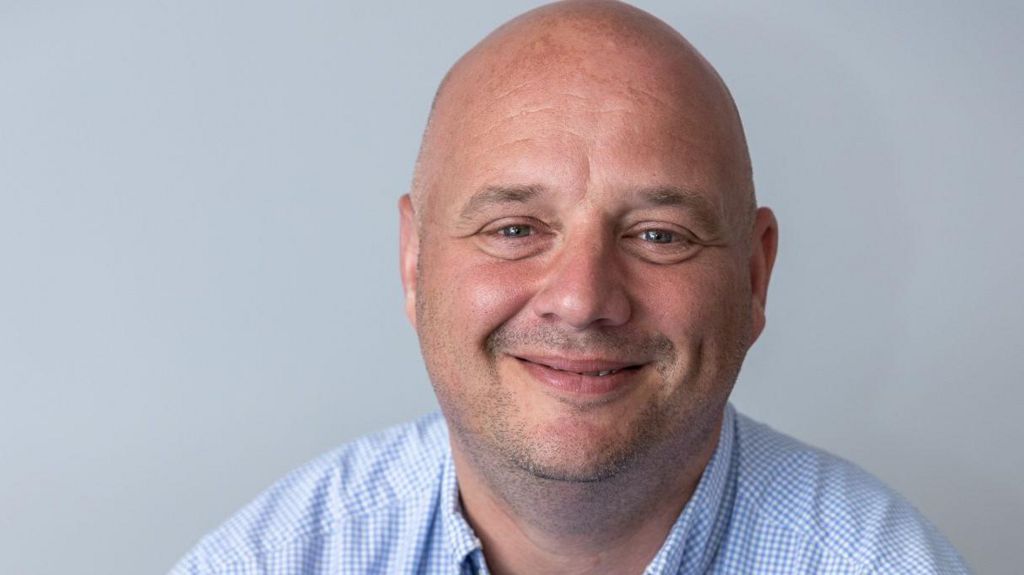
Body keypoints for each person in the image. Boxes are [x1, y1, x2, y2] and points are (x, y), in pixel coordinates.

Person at [171, 1, 969, 573]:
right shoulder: (271, 560)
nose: (583, 298)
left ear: (754, 275)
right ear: (414, 260)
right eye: (515, 228)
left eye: (659, 235)